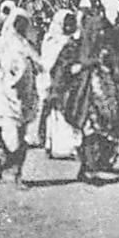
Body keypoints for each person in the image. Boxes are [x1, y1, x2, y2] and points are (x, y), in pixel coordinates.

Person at [61, 10, 119, 182]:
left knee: (104, 130)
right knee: (89, 130)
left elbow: (118, 72)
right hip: (85, 96)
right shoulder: (76, 47)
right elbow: (66, 69)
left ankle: (99, 164)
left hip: (105, 97)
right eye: (98, 30)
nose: (102, 34)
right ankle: (88, 167)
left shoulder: (108, 49)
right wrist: (88, 64)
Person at [0, 9, 39, 187]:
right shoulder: (5, 45)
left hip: (23, 97)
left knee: (21, 136)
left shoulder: (26, 44)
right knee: (11, 137)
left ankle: (16, 174)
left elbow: (36, 65)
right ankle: (7, 170)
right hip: (6, 97)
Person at [38, 10, 79, 149]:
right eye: (66, 24)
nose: (68, 28)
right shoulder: (51, 39)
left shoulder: (75, 39)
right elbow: (47, 61)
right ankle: (51, 143)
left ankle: (69, 145)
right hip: (54, 80)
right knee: (54, 113)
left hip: (71, 81)